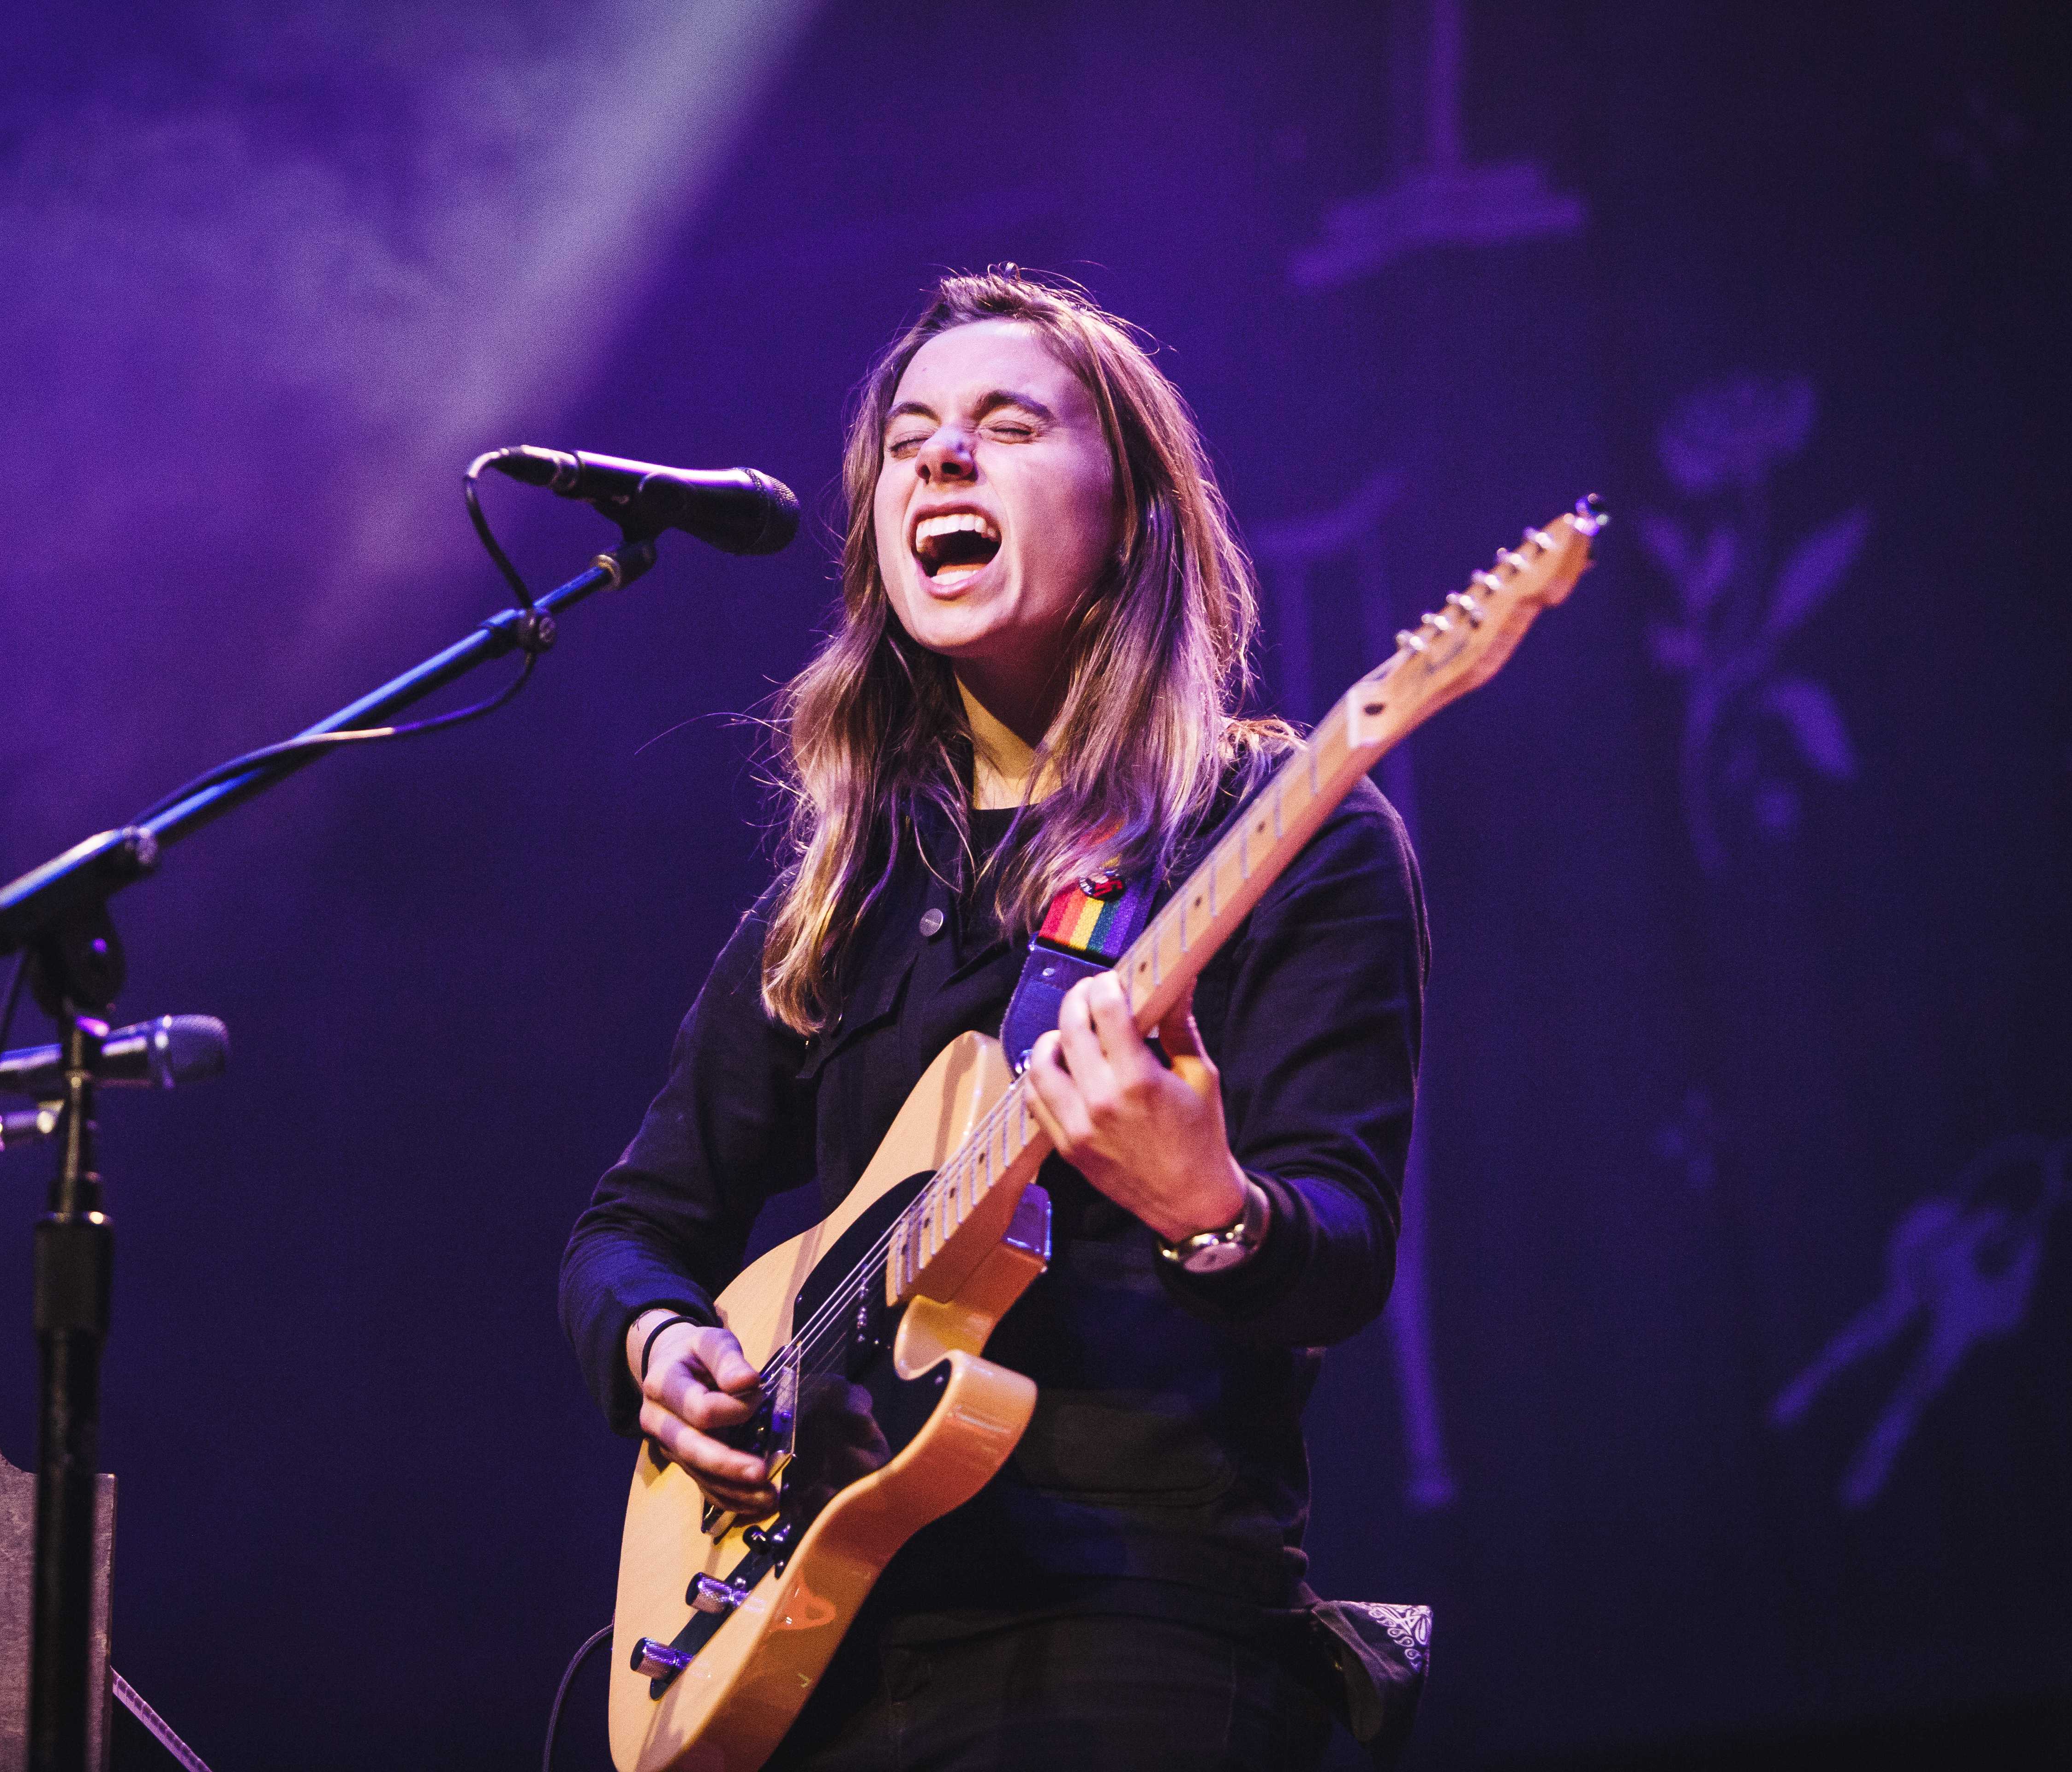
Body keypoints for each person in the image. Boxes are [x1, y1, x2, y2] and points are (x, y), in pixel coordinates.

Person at [560, 268, 1427, 1770]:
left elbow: (1340, 1255)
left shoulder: (1282, 834)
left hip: (1137, 1643)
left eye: (1007, 426)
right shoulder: (844, 894)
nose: (941, 461)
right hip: (817, 1647)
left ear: (1138, 513)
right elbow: (629, 1227)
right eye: (908, 441)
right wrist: (658, 1342)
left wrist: (1207, 1208)